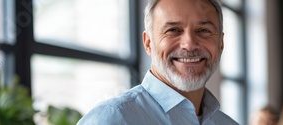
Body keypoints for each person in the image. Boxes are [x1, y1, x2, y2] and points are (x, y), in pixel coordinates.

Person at [77, 0, 237, 124]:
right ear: (148, 43)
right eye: (173, 30)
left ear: (220, 44)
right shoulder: (112, 119)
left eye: (204, 31)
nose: (189, 44)